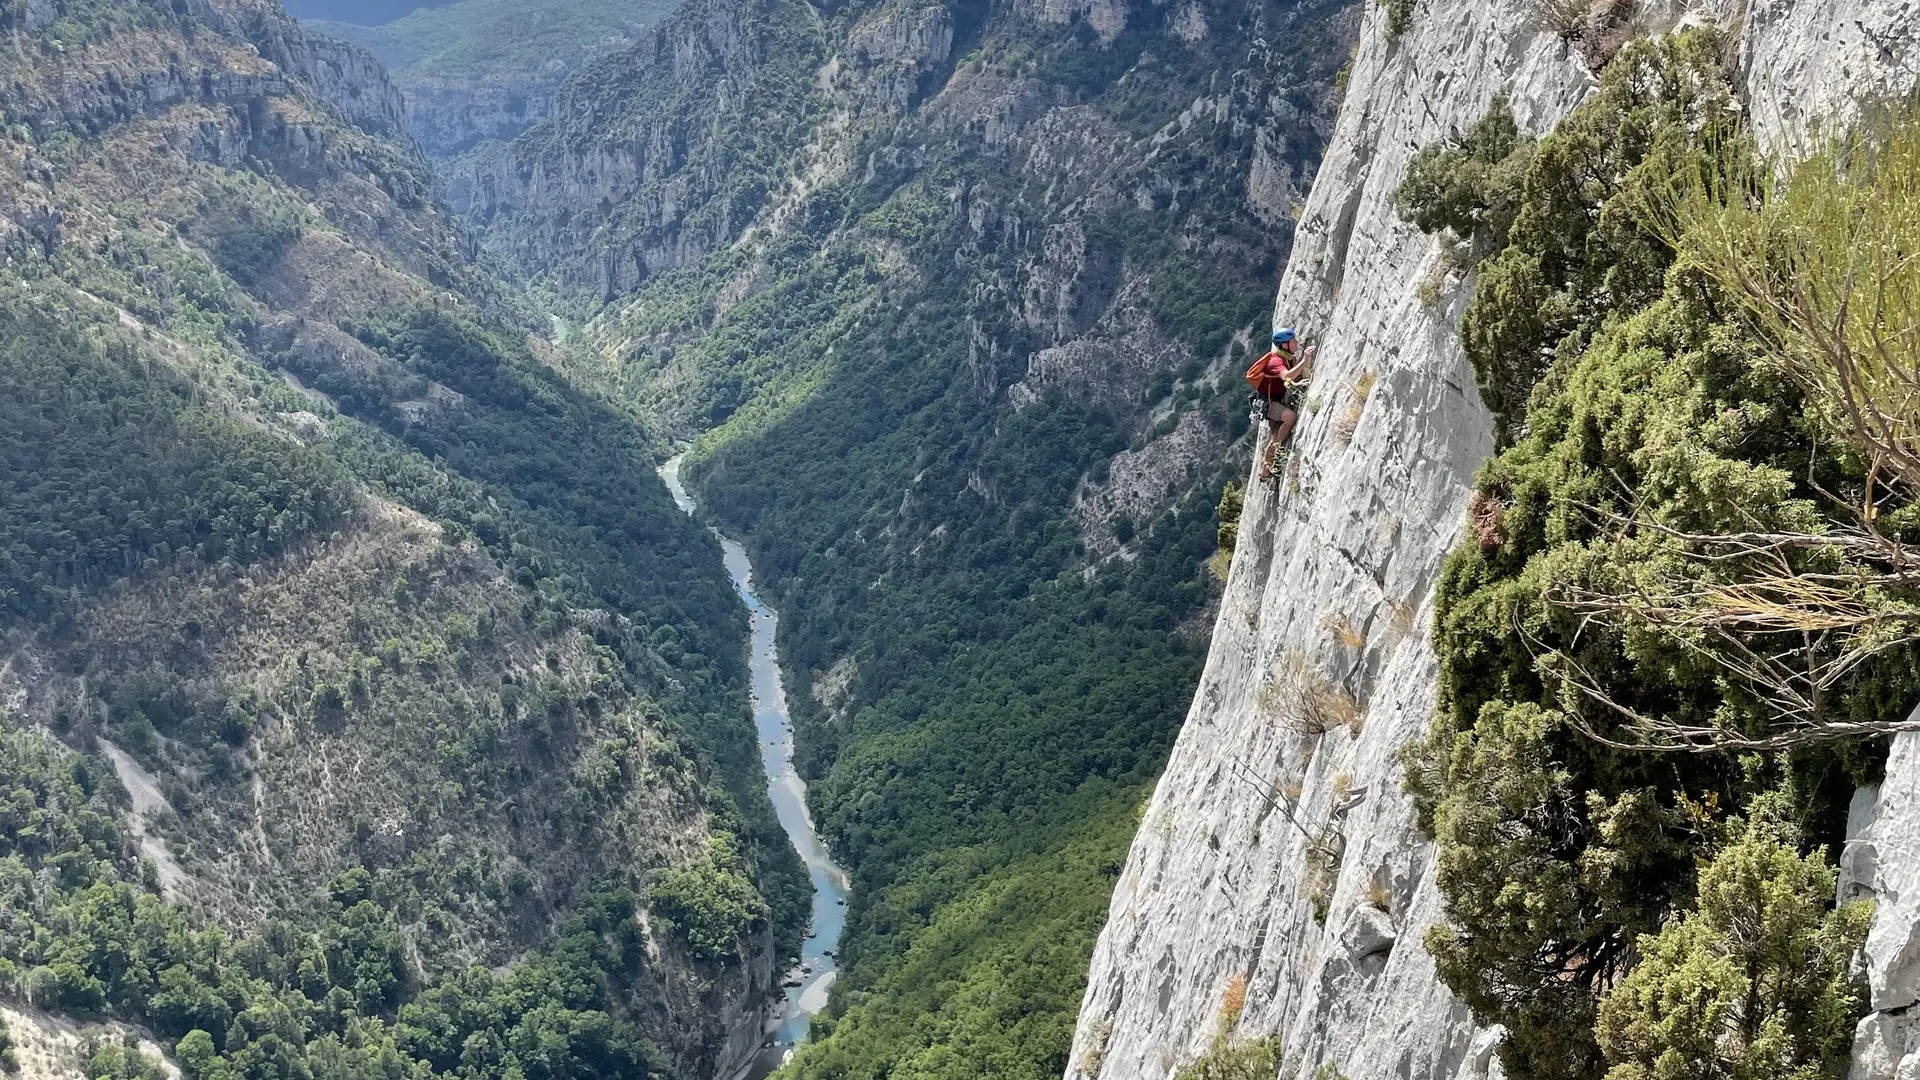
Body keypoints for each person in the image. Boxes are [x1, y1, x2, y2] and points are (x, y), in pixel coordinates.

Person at [1245, 328, 1315, 482]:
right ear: (1284, 345)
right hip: (1268, 403)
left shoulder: (1288, 358)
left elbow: (1296, 375)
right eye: (1292, 341)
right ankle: (1277, 451)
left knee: (1276, 433)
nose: (1296, 343)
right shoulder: (1275, 361)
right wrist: (1304, 359)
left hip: (1274, 401)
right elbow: (1287, 376)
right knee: (1289, 418)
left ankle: (1265, 470)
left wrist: (1302, 368)